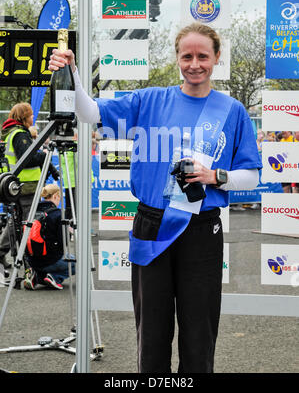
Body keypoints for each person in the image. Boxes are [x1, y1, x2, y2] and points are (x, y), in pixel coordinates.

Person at [49, 22, 262, 373]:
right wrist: (72, 69)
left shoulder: (232, 110)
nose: (195, 64)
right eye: (187, 56)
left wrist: (214, 177)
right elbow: (89, 113)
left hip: (200, 228)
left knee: (199, 334)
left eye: (203, 56)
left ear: (216, 58)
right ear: (178, 58)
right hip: (151, 224)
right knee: (151, 333)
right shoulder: (150, 100)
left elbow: (251, 175)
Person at [0, 103, 59, 270]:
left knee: (14, 223)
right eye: (31, 115)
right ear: (23, 116)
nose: (33, 118)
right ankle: (29, 264)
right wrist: (43, 156)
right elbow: (27, 160)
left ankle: (2, 251)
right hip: (25, 187)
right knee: (28, 225)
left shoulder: (13, 133)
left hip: (16, 187)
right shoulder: (20, 135)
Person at [24, 184, 75, 290]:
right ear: (56, 196)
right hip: (50, 260)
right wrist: (69, 232)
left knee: (51, 258)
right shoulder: (57, 214)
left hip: (32, 260)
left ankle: (36, 275)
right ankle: (54, 278)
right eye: (60, 197)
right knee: (79, 263)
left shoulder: (32, 211)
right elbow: (63, 243)